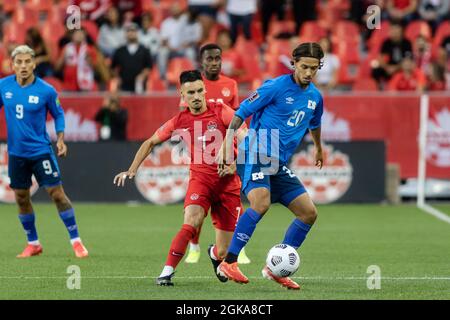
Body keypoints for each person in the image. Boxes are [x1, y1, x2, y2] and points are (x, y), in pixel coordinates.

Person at [113, 70, 246, 286]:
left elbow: (246, 137)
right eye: (190, 92)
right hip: (201, 181)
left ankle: (213, 254)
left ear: (205, 91)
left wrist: (234, 164)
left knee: (223, 251)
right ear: (182, 95)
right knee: (192, 220)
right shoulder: (179, 121)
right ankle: (166, 272)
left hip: (229, 185)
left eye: (199, 91)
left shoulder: (222, 111)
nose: (195, 96)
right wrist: (132, 169)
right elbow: (150, 142)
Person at [217, 42, 325, 290]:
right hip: (254, 153)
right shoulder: (275, 86)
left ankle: (276, 268)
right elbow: (240, 112)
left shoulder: (315, 96)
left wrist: (318, 147)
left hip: (277, 163)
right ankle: (229, 262)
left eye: (314, 68)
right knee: (261, 203)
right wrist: (226, 143)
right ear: (294, 64)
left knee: (309, 213)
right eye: (304, 67)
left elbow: (315, 123)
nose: (309, 73)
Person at [0, 45, 88, 258]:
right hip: (16, 154)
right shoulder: (3, 86)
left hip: (40, 151)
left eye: (27, 62)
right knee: (21, 197)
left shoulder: (46, 90)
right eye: (18, 62)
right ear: (12, 65)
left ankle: (76, 241)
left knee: (56, 194)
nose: (23, 66)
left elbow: (58, 114)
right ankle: (33, 243)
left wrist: (60, 139)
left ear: (34, 64)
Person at [183, 44, 250, 265]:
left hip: (226, 151)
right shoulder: (195, 85)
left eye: (217, 58)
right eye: (210, 59)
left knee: (234, 200)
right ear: (202, 61)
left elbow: (236, 118)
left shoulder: (230, 84)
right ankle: (194, 245)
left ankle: (236, 247)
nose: (214, 62)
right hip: (201, 152)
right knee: (200, 203)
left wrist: (234, 154)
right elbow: (186, 120)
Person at [111, 22, 153, 93]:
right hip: (124, 87)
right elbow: (113, 67)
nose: (131, 33)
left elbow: (149, 66)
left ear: (137, 33)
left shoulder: (144, 50)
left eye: (133, 30)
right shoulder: (119, 51)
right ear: (125, 34)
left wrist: (142, 76)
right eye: (128, 31)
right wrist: (117, 78)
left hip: (140, 87)